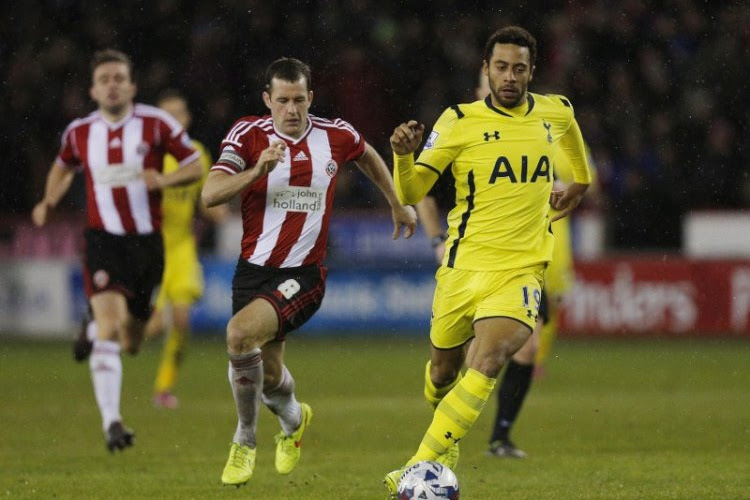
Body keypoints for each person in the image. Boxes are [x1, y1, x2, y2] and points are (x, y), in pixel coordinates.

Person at [384, 26, 592, 495]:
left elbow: (577, 157)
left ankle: (416, 465)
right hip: (462, 269)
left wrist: (578, 184)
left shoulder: (555, 113)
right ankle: (446, 436)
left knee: (492, 357)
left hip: (519, 271)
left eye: (519, 68)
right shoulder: (458, 120)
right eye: (501, 67)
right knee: (442, 372)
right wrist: (402, 156)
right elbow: (411, 191)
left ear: (531, 71)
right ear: (486, 69)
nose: (510, 76)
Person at [201, 57, 417, 487]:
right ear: (268, 100)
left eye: (300, 99)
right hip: (253, 271)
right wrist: (257, 170)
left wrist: (394, 201)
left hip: (305, 274)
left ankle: (244, 439)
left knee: (239, 335)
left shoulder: (334, 134)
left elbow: (368, 154)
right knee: (269, 375)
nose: (292, 109)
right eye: (283, 100)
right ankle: (295, 419)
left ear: (311, 98)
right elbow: (210, 193)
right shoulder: (247, 135)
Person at [31, 49, 203, 452]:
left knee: (133, 343)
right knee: (112, 325)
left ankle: (92, 327)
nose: (111, 84)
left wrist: (162, 181)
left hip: (147, 246)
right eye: (104, 78)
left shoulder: (156, 125)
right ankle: (113, 422)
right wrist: (48, 200)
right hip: (102, 241)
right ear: (93, 89)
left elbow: (195, 165)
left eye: (118, 78)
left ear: (132, 86)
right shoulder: (80, 132)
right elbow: (62, 165)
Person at [143, 90, 229, 409]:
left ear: (187, 118)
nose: (173, 120)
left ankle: (163, 388)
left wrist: (218, 211)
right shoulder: (146, 156)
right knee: (152, 329)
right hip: (150, 248)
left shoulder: (198, 155)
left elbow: (204, 202)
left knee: (181, 322)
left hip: (181, 247)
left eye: (178, 114)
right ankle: (110, 343)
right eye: (166, 115)